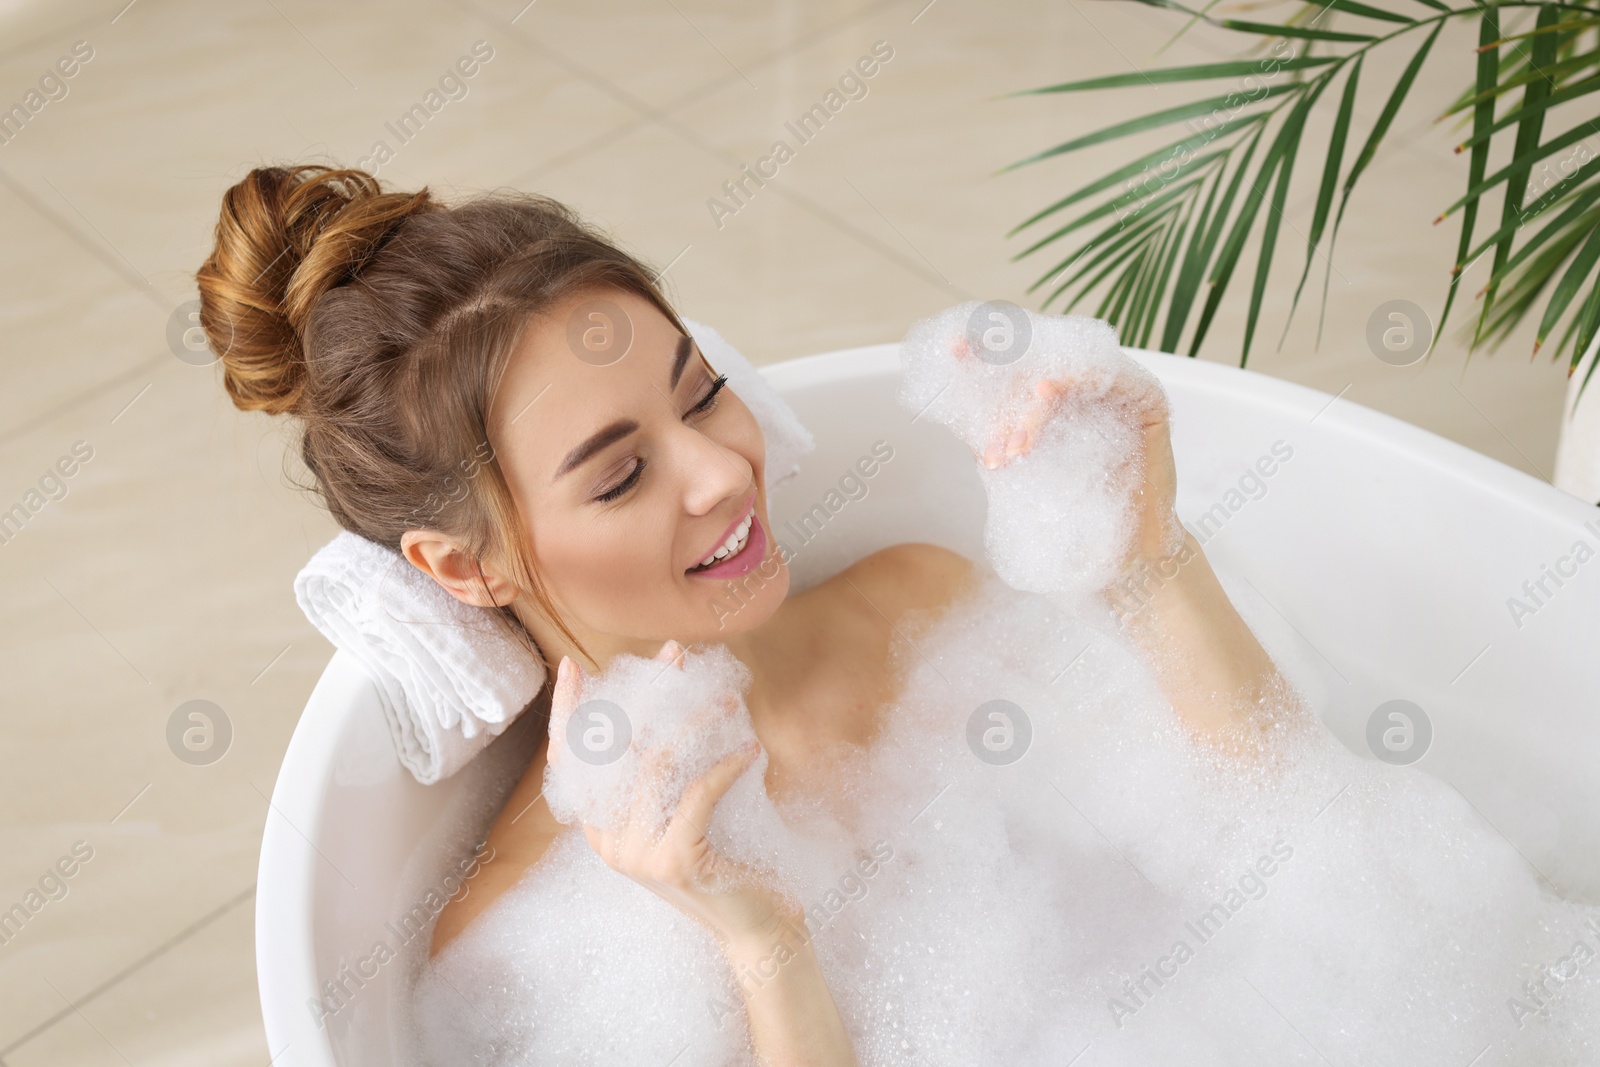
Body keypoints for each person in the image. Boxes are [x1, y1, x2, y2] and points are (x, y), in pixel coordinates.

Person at [197, 164, 1295, 1067]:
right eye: (622, 474)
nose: (721, 470)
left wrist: (1148, 550)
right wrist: (762, 938)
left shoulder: (915, 602)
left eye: (701, 389)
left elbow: (1283, 831)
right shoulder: (519, 938)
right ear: (464, 568)